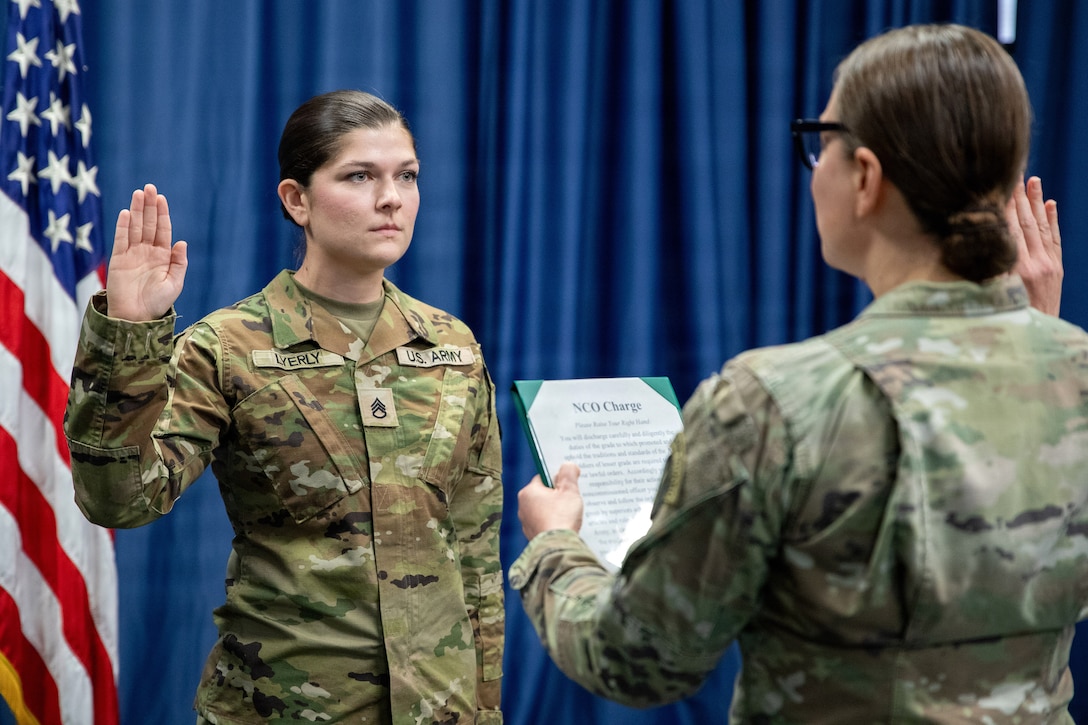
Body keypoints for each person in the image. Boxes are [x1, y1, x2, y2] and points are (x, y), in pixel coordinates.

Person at [510, 24, 1087, 723]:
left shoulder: (774, 403)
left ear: (866, 177)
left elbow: (638, 656)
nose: (815, 168)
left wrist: (552, 546)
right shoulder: (1073, 371)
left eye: (822, 142)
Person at [65, 90, 504, 724]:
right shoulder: (227, 346)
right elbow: (120, 501)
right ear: (296, 200)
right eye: (360, 176)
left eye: (406, 175)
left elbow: (475, 552)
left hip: (442, 709)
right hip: (285, 708)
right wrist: (129, 336)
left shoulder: (451, 347)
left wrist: (485, 707)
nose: (392, 198)